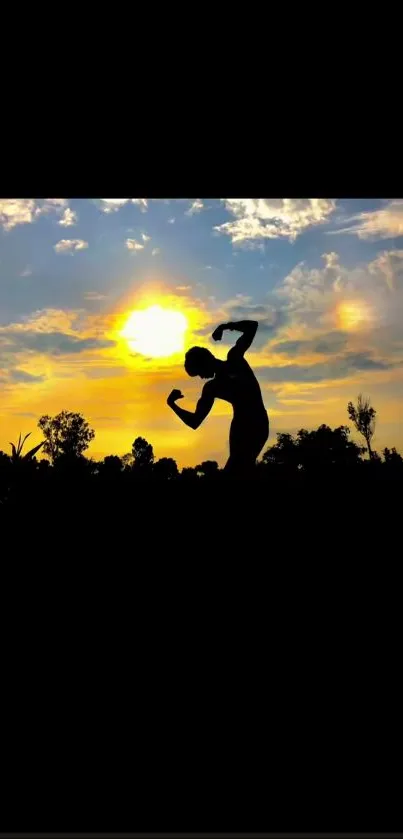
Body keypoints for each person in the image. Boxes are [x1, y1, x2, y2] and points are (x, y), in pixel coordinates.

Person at [167, 320, 269, 477]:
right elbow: (195, 421)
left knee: (237, 471)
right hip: (240, 426)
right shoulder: (211, 388)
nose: (201, 377)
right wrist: (172, 405)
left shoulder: (234, 359)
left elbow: (252, 326)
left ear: (206, 360)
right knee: (239, 472)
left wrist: (224, 326)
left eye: (199, 372)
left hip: (256, 423)